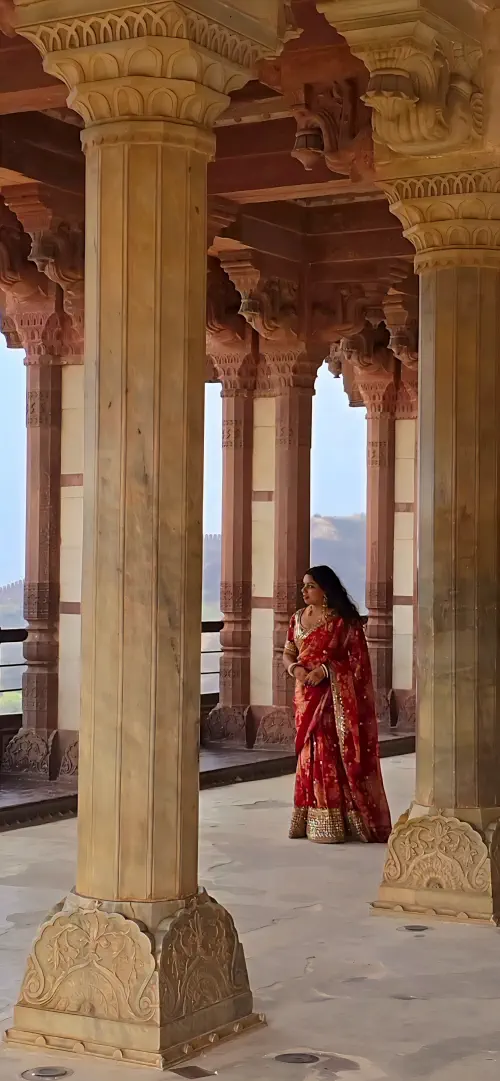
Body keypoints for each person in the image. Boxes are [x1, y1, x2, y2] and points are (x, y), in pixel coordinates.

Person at [283, 565, 391, 845]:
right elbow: (288, 652)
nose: (304, 591)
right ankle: (309, 818)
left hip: (332, 698)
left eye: (310, 586)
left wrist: (326, 670)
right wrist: (296, 670)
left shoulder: (343, 622)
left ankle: (337, 820)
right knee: (308, 754)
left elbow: (358, 663)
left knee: (330, 752)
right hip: (304, 695)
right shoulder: (297, 619)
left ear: (325, 590)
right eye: (304, 586)